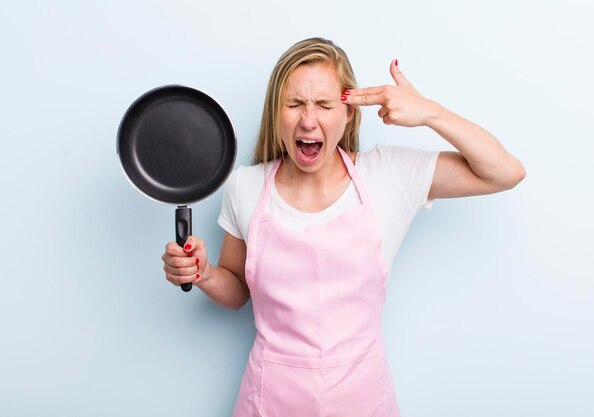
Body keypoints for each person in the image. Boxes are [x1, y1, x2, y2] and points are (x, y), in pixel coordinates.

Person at [161, 37, 525, 416]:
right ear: (276, 112)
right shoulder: (245, 185)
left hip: (364, 399)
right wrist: (203, 273)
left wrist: (430, 112)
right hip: (270, 400)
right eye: (295, 104)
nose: (308, 119)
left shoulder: (389, 175)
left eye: (324, 104)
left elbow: (506, 172)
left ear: (348, 113)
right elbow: (237, 291)